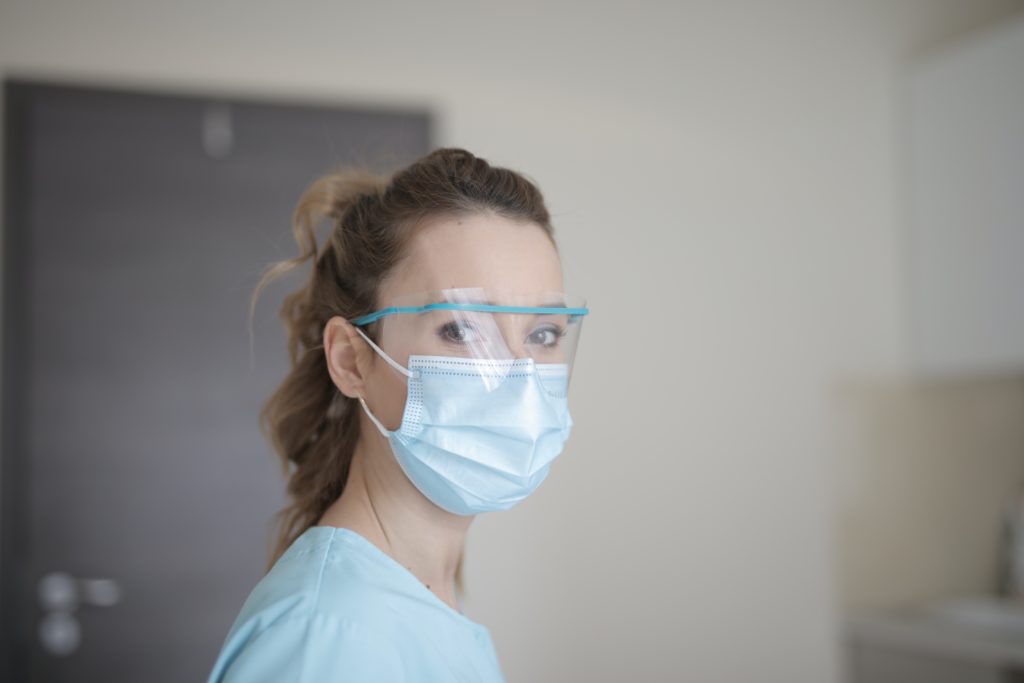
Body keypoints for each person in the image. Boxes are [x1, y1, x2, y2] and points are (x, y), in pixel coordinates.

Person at [205, 147, 588, 682]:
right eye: (461, 330)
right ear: (350, 359)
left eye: (543, 334)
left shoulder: (417, 598)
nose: (520, 381)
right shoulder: (325, 636)